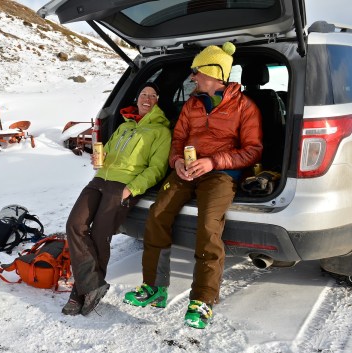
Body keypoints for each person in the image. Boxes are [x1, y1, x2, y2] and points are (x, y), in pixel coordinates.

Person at [123, 42, 263, 329]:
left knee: (209, 227)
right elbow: (177, 141)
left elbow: (253, 151)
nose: (192, 77)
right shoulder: (191, 104)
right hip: (185, 171)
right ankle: (154, 288)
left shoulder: (244, 106)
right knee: (158, 214)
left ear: (213, 73)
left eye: (197, 72)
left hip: (221, 174)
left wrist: (213, 162)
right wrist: (176, 162)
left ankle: (202, 300)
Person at [63, 82, 172, 316]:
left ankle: (80, 291)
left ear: (157, 101)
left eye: (152, 95)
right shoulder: (125, 126)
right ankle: (91, 285)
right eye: (143, 93)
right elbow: (107, 151)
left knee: (100, 234)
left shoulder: (160, 131)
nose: (147, 98)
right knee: (74, 225)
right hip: (100, 179)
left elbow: (157, 168)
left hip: (123, 186)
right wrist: (97, 160)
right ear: (137, 98)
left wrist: (131, 189)